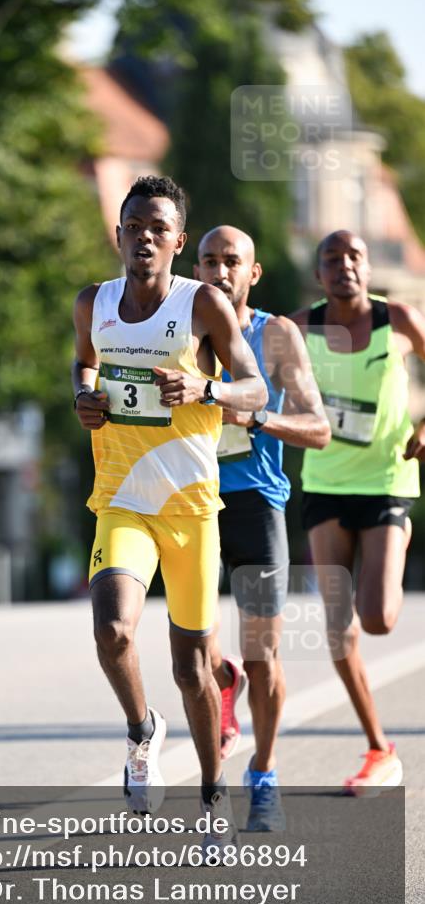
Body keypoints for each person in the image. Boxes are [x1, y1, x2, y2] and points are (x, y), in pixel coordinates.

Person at [72, 176, 267, 843]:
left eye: (159, 228)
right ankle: (139, 730)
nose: (145, 237)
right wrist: (85, 397)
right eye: (134, 225)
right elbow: (83, 367)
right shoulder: (92, 303)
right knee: (113, 633)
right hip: (122, 501)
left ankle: (213, 797)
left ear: (178, 242)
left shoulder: (202, 304)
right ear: (118, 234)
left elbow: (253, 388)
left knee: (191, 669)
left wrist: (203, 387)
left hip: (189, 510)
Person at [193, 226, 330, 829]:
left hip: (254, 500)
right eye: (209, 261)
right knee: (194, 652)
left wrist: (257, 416)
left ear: (254, 273)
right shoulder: (176, 325)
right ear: (193, 268)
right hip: (188, 500)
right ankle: (219, 679)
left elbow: (319, 428)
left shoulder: (276, 335)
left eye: (232, 262)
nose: (220, 271)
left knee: (265, 656)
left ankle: (265, 774)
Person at [291, 230, 425, 794]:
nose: (344, 265)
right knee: (337, 625)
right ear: (319, 274)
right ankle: (378, 746)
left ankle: (398, 534)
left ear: (367, 268)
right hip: (324, 484)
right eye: (332, 259)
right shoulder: (298, 327)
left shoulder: (397, 319)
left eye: (354, 257)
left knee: (378, 620)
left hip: (388, 481)